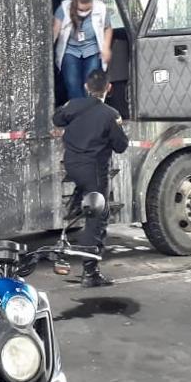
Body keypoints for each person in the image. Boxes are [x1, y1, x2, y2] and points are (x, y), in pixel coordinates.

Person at [53, 69, 128, 287]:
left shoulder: (74, 105)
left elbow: (57, 118)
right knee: (98, 218)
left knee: (87, 194)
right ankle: (90, 272)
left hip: (72, 165)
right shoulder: (110, 114)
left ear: (86, 87)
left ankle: (78, 204)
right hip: (93, 170)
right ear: (109, 88)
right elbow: (121, 146)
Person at [54, 0, 113, 101]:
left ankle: (90, 108)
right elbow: (55, 30)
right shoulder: (64, 8)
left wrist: (106, 48)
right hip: (70, 51)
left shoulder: (100, 8)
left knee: (91, 84)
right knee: (72, 84)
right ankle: (77, 108)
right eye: (81, 9)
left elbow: (108, 28)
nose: (84, 12)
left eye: (87, 9)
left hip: (92, 50)